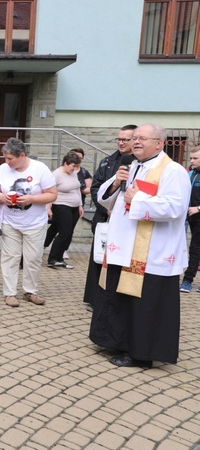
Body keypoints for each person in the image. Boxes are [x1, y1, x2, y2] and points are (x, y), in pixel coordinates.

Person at [90, 123, 190, 368]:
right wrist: (115, 184)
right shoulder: (131, 166)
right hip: (123, 246)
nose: (135, 142)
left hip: (152, 251)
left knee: (143, 304)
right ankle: (117, 341)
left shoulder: (172, 171)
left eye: (142, 138)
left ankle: (141, 353)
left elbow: (175, 208)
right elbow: (105, 199)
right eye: (134, 138)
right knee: (120, 297)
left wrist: (138, 198)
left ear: (159, 143)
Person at [0, 138, 57, 307]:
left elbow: (52, 194)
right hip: (10, 222)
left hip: (35, 223)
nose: (6, 161)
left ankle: (30, 291)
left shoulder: (40, 169)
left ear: (22, 155)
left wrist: (32, 198)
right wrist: (1, 197)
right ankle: (10, 293)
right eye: (5, 158)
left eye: (10, 158)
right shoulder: (2, 169)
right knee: (10, 257)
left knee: (33, 258)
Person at [83, 125, 136, 311]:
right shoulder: (107, 162)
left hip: (128, 221)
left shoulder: (139, 163)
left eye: (125, 139)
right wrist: (107, 210)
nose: (121, 142)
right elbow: (95, 188)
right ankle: (94, 297)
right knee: (99, 257)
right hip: (105, 218)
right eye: (119, 139)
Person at [44, 151, 83, 269]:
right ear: (65, 163)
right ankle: (53, 258)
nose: (75, 169)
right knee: (64, 233)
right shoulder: (56, 174)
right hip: (61, 205)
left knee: (69, 233)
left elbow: (77, 189)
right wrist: (48, 208)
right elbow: (49, 191)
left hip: (74, 207)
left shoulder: (73, 173)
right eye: (73, 166)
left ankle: (60, 258)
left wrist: (80, 205)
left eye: (77, 166)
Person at [181, 145, 200, 293]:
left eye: (195, 158)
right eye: (191, 158)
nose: (191, 161)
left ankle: (187, 280)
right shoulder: (191, 173)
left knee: (195, 248)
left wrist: (198, 208)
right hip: (189, 217)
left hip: (198, 215)